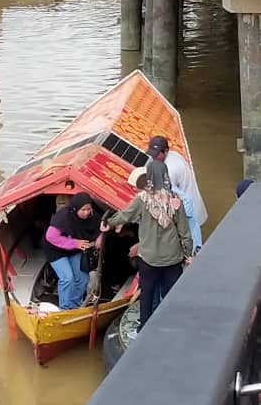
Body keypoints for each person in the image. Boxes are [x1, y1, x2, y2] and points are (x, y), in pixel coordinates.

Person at [101, 158, 192, 337]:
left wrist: (108, 223)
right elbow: (184, 232)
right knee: (171, 295)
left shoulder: (142, 200)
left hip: (149, 258)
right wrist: (188, 254)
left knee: (147, 295)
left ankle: (143, 330)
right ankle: (171, 329)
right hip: (173, 258)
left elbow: (125, 215)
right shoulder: (175, 200)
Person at [44, 192, 99, 310]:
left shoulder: (93, 217)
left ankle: (74, 304)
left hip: (74, 250)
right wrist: (75, 243)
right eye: (83, 210)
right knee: (67, 278)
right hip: (55, 249)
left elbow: (101, 228)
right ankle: (64, 308)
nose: (86, 212)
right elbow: (51, 236)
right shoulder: (63, 217)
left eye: (88, 209)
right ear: (75, 208)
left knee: (83, 279)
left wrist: (99, 239)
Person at [146, 135, 207, 227]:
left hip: (188, 213)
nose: (153, 157)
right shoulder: (173, 155)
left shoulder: (170, 169)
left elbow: (164, 198)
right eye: (152, 154)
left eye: (156, 154)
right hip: (191, 206)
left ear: (166, 151)